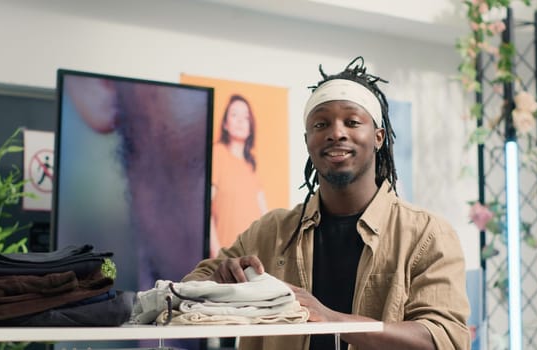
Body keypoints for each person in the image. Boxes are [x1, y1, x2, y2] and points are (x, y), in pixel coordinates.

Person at [183, 57, 471, 350]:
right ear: (308, 140)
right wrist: (221, 280)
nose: (336, 133)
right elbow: (188, 291)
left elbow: (444, 338)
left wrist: (331, 319)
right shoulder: (271, 232)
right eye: (321, 124)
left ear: (378, 137)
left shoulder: (426, 234)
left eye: (352, 122)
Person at [210, 94, 268, 257]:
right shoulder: (217, 153)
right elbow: (205, 208)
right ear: (225, 124)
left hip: (255, 260)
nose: (240, 121)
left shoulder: (251, 164)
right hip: (226, 261)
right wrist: (217, 255)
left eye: (246, 117)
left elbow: (265, 215)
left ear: (251, 126)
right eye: (234, 115)